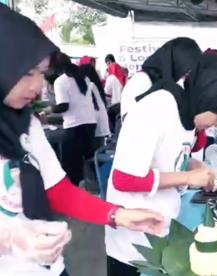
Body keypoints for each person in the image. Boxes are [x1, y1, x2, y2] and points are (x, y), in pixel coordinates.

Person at [0, 6, 165, 276]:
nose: (38, 85)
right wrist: (8, 241)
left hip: (50, 269)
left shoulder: (25, 124)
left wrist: (118, 215)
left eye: (42, 72)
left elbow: (58, 190)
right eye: (28, 72)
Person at [106, 51, 217, 276]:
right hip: (133, 240)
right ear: (206, 98)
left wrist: (192, 166)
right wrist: (188, 178)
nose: (215, 125)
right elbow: (124, 178)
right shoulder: (157, 108)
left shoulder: (186, 113)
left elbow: (167, 157)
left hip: (161, 228)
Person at [46, 53, 98, 187]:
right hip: (90, 122)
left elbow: (64, 106)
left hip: (74, 125)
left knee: (72, 164)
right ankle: (93, 187)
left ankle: (75, 190)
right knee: (89, 158)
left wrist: (48, 111)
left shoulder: (61, 81)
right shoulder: (83, 77)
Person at [120, 37, 202, 119]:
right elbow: (132, 122)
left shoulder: (172, 83)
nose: (188, 75)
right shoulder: (141, 80)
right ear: (177, 62)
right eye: (187, 70)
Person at [80, 64, 111, 149]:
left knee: (92, 153)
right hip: (102, 123)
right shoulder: (97, 85)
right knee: (99, 150)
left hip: (94, 123)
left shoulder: (89, 85)